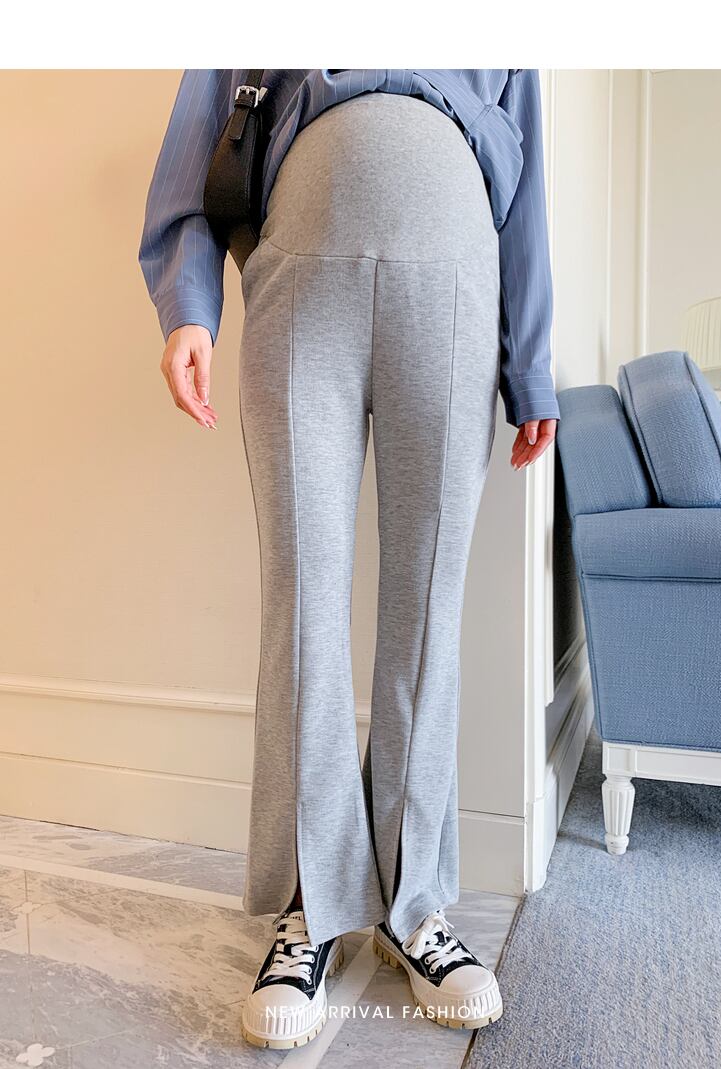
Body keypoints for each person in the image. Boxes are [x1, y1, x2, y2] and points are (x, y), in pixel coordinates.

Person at [139, 69, 559, 1050]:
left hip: (457, 283)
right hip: (300, 283)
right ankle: (310, 905)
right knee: (303, 603)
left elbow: (528, 183)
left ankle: (416, 906)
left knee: (428, 606)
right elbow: (199, 150)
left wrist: (531, 363)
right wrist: (189, 308)